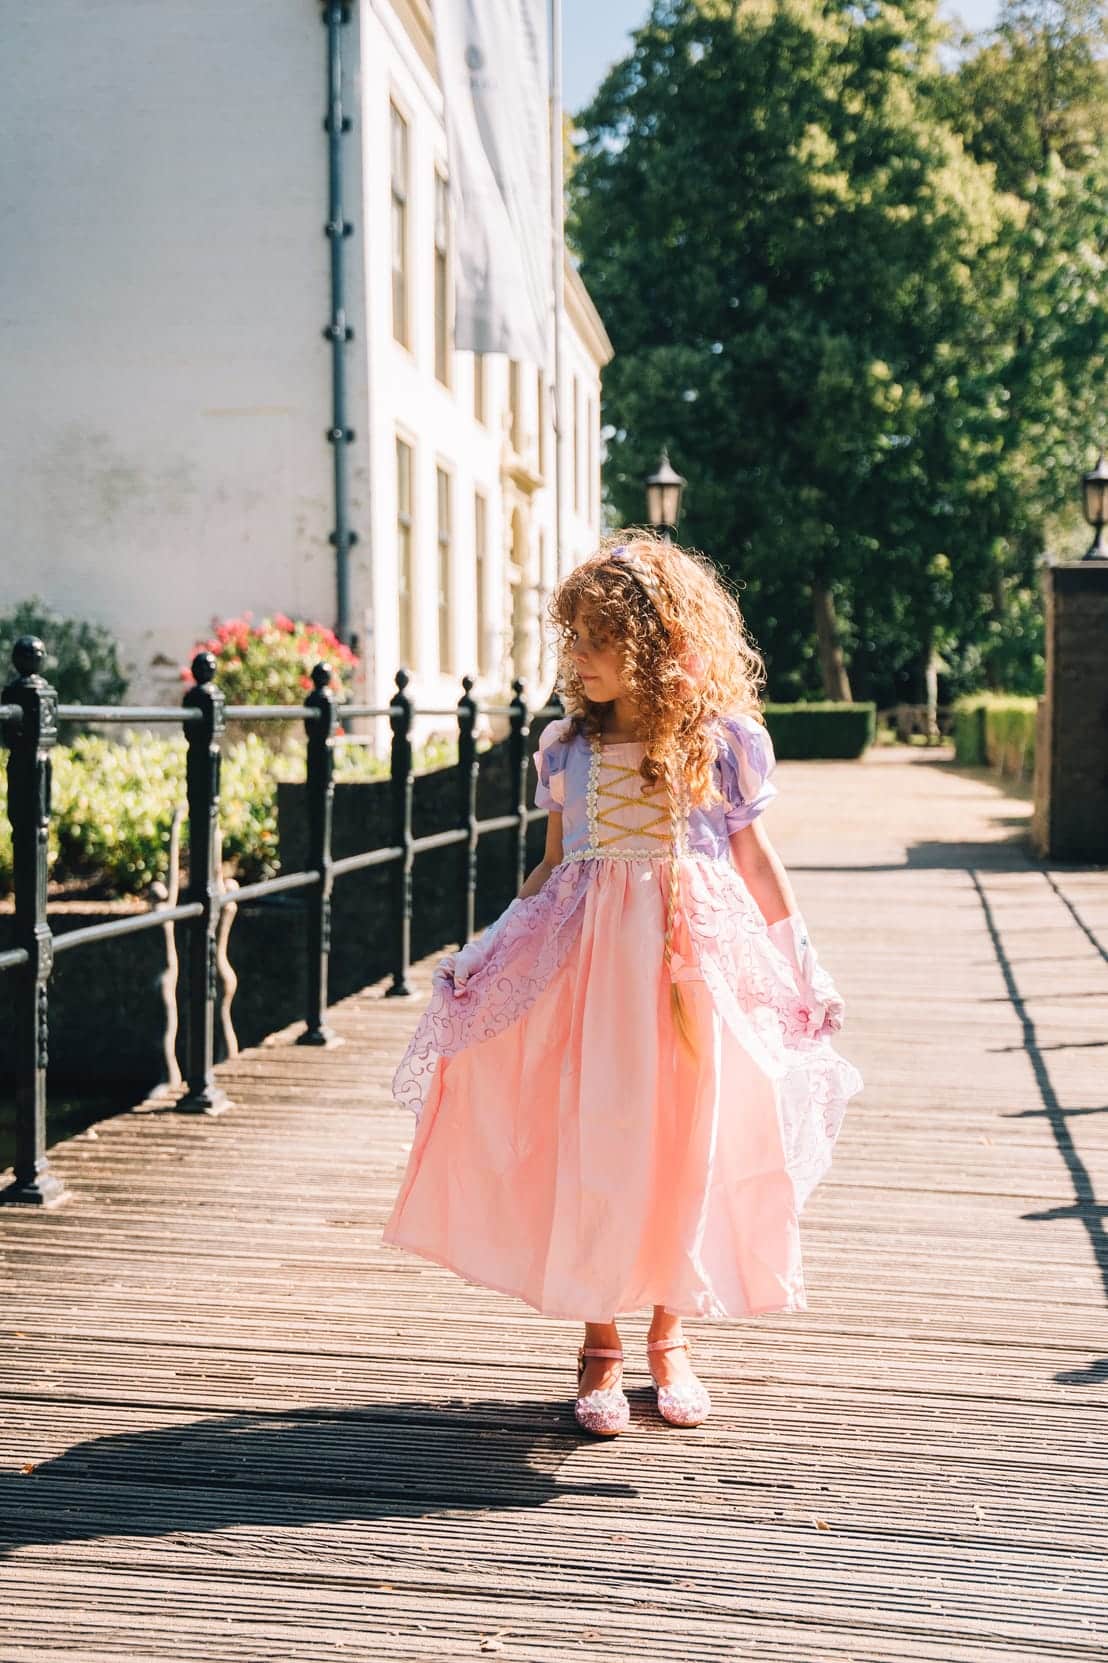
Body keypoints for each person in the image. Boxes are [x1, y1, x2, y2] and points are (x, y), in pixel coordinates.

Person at [382, 530, 864, 1437]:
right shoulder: (569, 748)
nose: (579, 659)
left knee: (689, 1137)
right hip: (594, 972)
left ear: (652, 640)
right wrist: (484, 952)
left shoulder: (718, 742)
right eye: (572, 640)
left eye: (598, 639)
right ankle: (599, 1341)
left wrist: (803, 961)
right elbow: (552, 870)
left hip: (690, 968)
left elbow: (756, 862)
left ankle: (670, 1337)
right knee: (595, 1138)